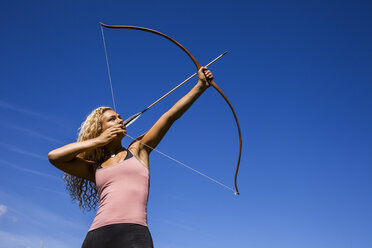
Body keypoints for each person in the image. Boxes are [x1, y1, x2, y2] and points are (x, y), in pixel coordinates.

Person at [48, 67, 214, 248]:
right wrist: (98, 141)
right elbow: (54, 157)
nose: (119, 120)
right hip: (97, 235)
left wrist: (200, 86)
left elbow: (169, 116)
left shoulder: (138, 149)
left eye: (119, 117)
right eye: (112, 119)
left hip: (134, 233)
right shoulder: (94, 167)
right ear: (99, 130)